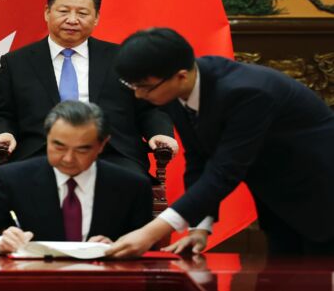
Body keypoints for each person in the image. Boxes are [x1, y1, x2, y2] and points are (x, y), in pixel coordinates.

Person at [107, 27, 334, 257]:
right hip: (279, 198)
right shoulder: (178, 89)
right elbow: (199, 158)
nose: (138, 95)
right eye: (133, 86)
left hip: (321, 191)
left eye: (144, 87)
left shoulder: (247, 93)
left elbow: (225, 170)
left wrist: (150, 232)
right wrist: (198, 227)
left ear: (181, 76)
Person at [0, 0, 177, 176]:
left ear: (96, 18)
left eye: (82, 14)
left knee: (125, 185)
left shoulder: (124, 59)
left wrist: (160, 133)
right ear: (47, 13)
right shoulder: (17, 62)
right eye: (64, 11)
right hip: (39, 153)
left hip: (112, 154)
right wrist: (2, 134)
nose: (72, 20)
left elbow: (150, 108)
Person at [0, 101, 153, 255]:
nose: (68, 158)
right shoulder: (12, 179)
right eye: (58, 146)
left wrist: (118, 248)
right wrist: (0, 243)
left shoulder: (131, 185)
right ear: (47, 137)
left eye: (82, 149)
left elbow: (146, 247)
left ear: (102, 145)